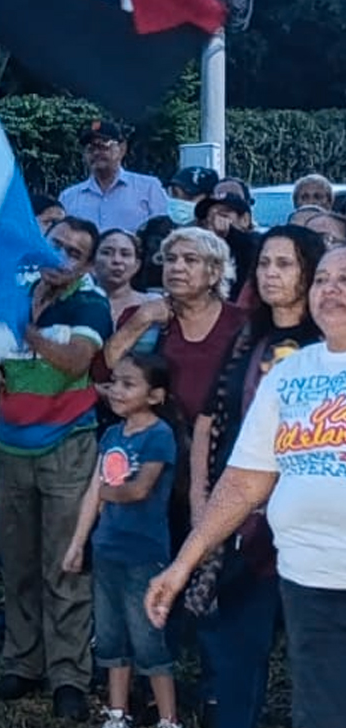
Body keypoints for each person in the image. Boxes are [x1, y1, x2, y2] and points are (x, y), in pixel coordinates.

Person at [146, 245, 346, 728]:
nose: (330, 290)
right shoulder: (289, 375)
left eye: (345, 279)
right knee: (321, 714)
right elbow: (242, 482)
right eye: (321, 279)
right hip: (309, 577)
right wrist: (183, 565)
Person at [184, 225, 324, 728]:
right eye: (264, 263)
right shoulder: (246, 336)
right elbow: (208, 422)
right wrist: (204, 505)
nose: (270, 274)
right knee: (236, 649)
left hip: (313, 526)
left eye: (285, 265)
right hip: (242, 517)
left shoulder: (330, 344)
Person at [0, 216, 111, 720]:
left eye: (74, 253)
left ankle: (69, 675)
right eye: (56, 244)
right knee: (17, 562)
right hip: (11, 444)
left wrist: (24, 330)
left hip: (67, 444)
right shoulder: (16, 288)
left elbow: (75, 360)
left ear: (86, 265)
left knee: (65, 563)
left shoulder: (91, 302)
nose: (60, 256)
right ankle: (23, 661)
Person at [62, 353, 179, 728]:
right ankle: (117, 713)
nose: (116, 390)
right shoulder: (112, 435)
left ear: (155, 395)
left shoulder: (159, 435)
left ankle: (168, 718)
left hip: (144, 555)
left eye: (129, 383)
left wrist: (103, 491)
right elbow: (92, 494)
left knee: (148, 639)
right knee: (111, 636)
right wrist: (78, 543)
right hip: (108, 551)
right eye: (114, 381)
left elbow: (138, 489)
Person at [103, 227, 247, 428]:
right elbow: (107, 368)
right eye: (170, 259)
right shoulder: (140, 315)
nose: (177, 267)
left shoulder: (240, 321)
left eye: (190, 260)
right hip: (154, 439)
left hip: (220, 436)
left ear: (214, 273)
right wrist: (143, 318)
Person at [58, 121, 168, 233]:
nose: (96, 153)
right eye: (90, 148)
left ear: (122, 149)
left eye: (103, 146)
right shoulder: (68, 197)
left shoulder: (149, 188)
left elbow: (162, 233)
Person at [94, 229, 146, 326]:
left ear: (137, 265)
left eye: (125, 254)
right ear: (92, 262)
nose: (117, 260)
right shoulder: (75, 303)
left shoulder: (152, 303)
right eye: (107, 252)